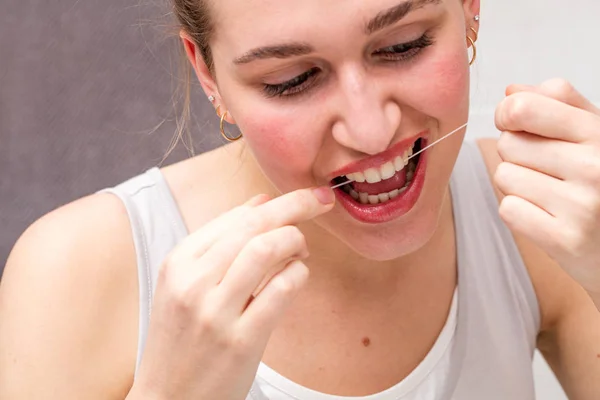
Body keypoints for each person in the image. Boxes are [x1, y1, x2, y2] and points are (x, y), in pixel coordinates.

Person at [1, 0, 600, 398]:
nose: (369, 130)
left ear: (469, 7)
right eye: (292, 80)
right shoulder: (76, 272)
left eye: (403, 45)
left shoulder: (537, 213)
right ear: (209, 76)